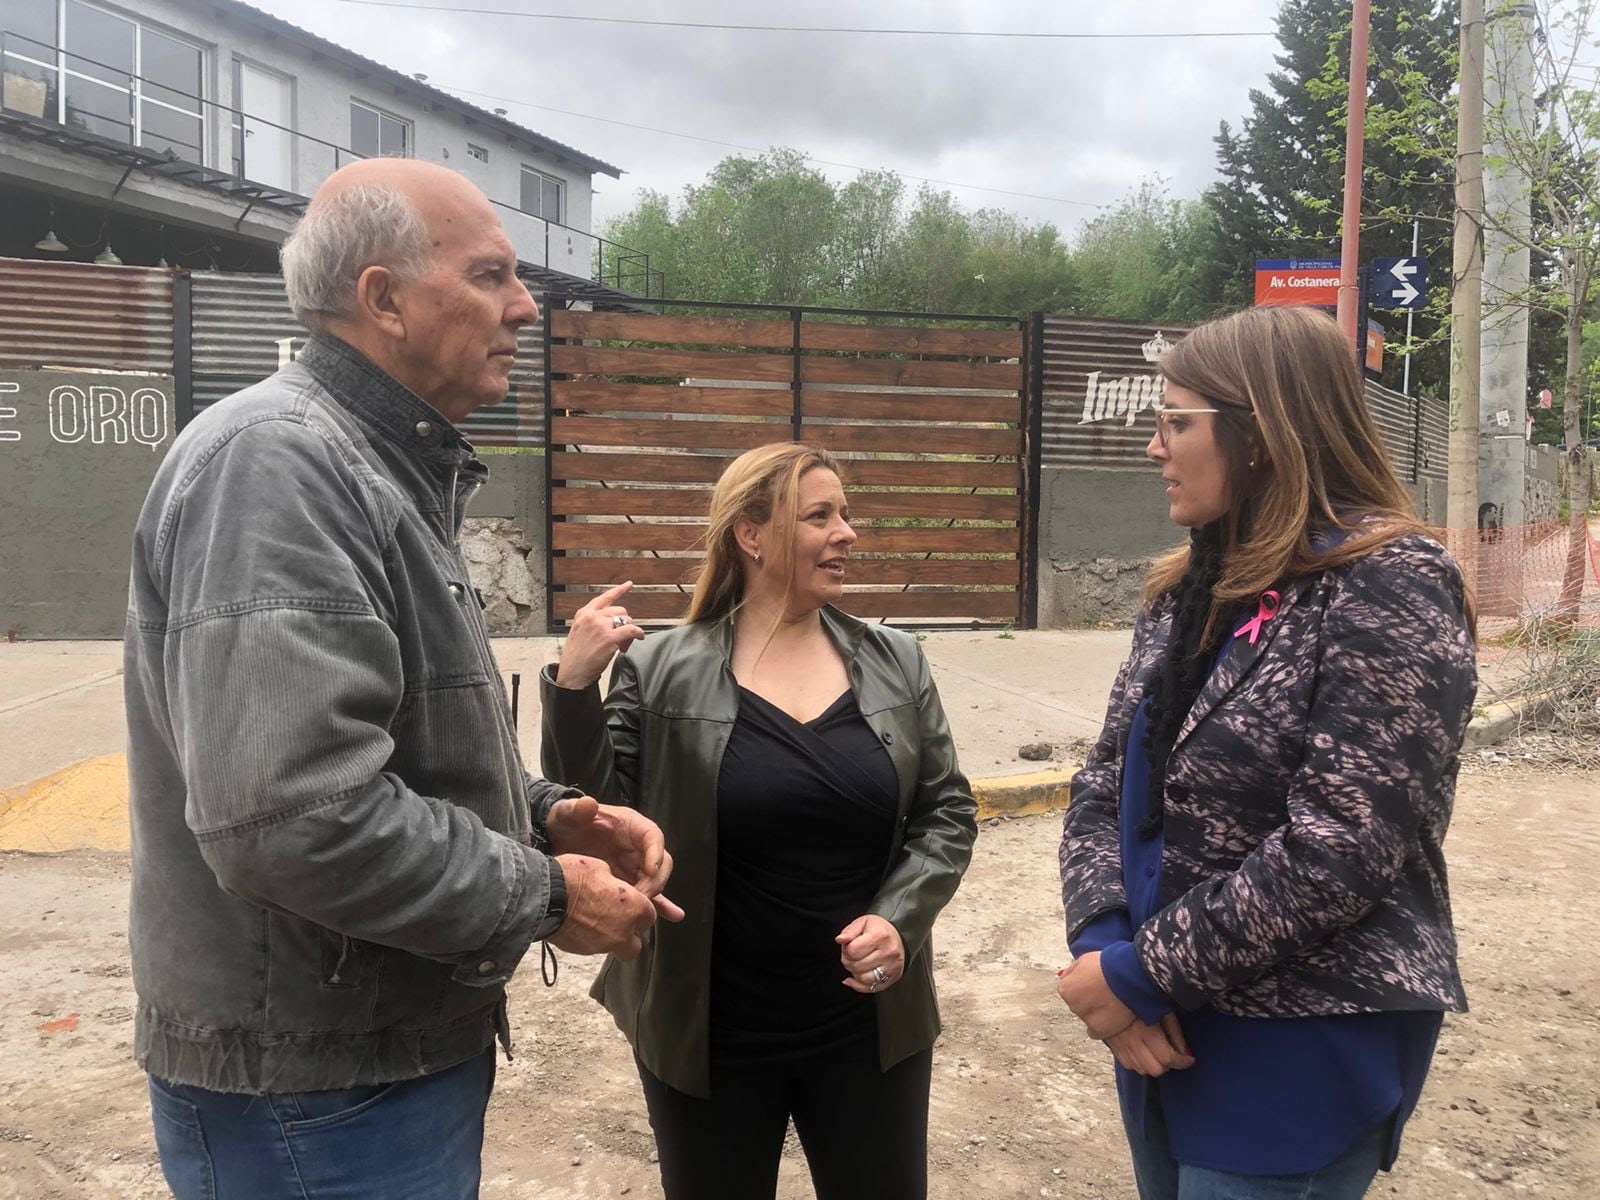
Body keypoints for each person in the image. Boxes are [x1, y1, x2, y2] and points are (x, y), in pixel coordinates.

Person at [124, 159, 681, 1199]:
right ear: (382, 299)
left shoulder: (372, 464)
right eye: (490, 276)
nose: (525, 308)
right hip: (312, 1091)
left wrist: (544, 812)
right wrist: (547, 893)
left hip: (363, 1064)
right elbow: (292, 816)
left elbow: (380, 750)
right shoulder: (280, 465)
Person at [1056, 306, 1477, 1200]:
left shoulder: (1391, 584)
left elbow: (1342, 850)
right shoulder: (1187, 588)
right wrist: (1101, 945)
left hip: (1296, 1052)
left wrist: (1142, 973)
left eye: (1175, 421)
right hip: (1161, 1035)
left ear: (1262, 430)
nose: (1154, 447)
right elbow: (1103, 786)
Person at [540, 442, 978, 1200]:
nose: (847, 533)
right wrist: (574, 685)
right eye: (820, 516)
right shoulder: (660, 667)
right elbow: (598, 822)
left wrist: (900, 921)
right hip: (710, 1033)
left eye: (846, 513)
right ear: (752, 535)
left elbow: (947, 810)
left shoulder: (896, 660)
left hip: (868, 1026)